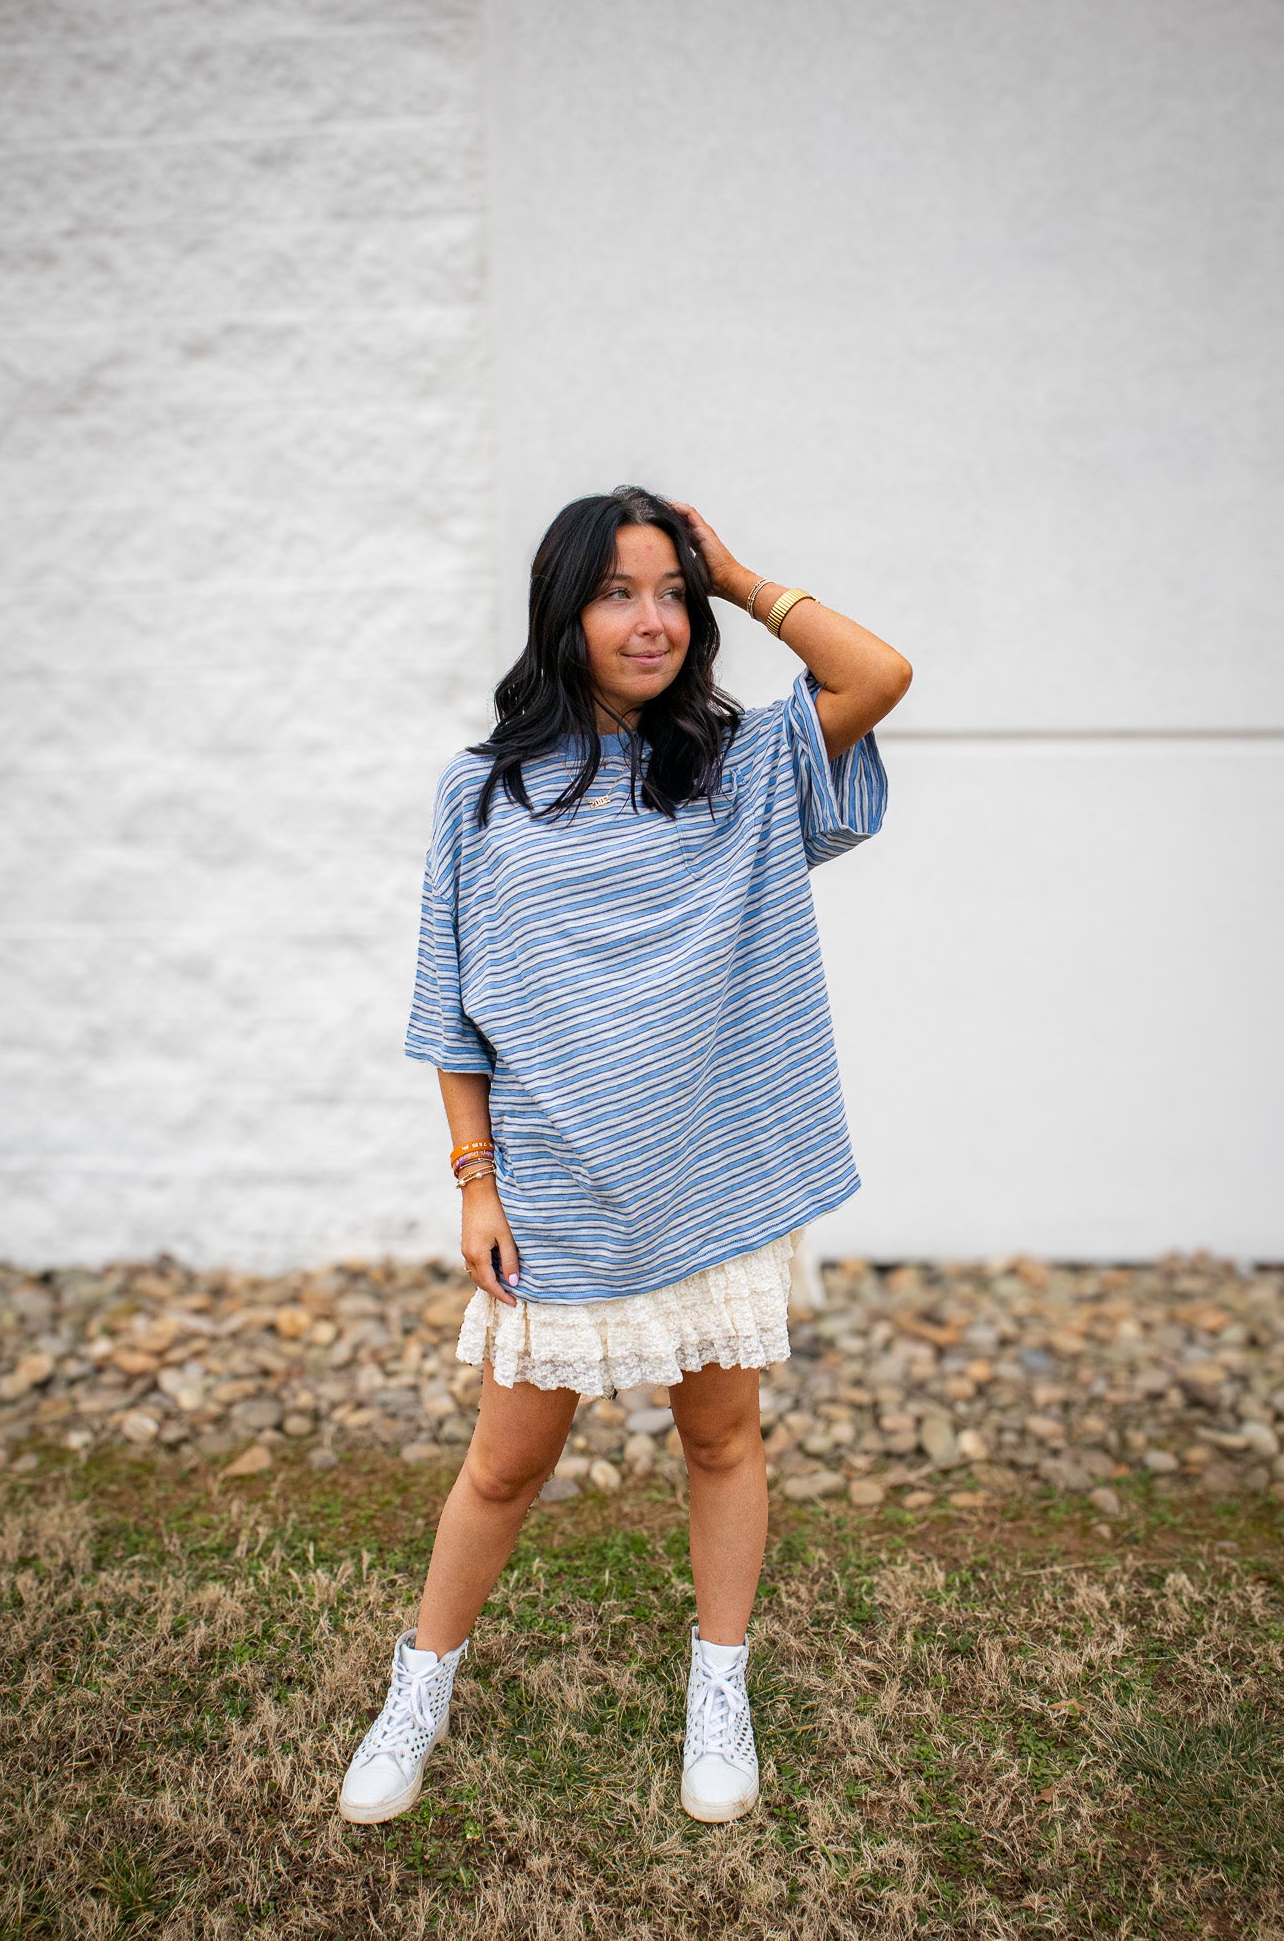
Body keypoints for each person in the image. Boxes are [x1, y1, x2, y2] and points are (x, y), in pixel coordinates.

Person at [339, 486, 912, 1827]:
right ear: (564, 613)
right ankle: (417, 1686)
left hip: (711, 1176)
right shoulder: (478, 795)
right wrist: (473, 1179)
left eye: (670, 591)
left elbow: (876, 673)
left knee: (719, 1443)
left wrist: (740, 571)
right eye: (617, 592)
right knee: (502, 1466)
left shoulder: (743, 768)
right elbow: (451, 998)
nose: (651, 619)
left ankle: (720, 1685)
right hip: (553, 1189)